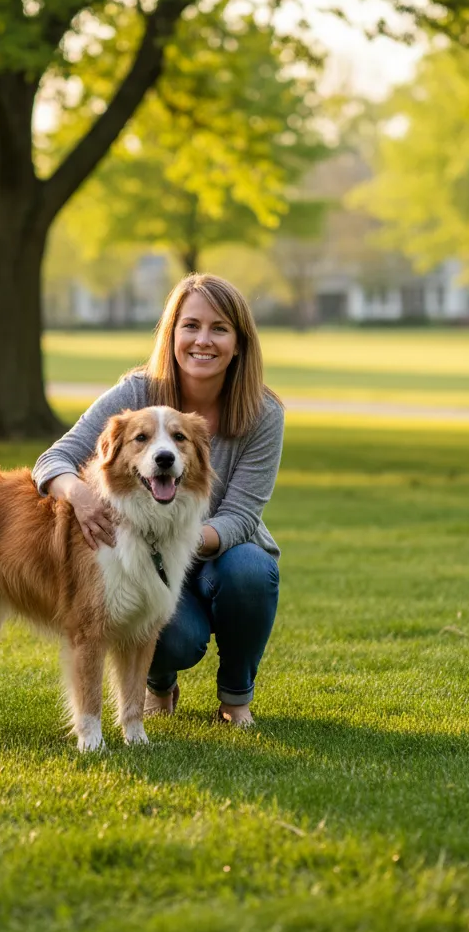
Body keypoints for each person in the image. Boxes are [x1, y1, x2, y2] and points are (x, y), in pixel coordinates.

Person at [32, 274, 284, 727]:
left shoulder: (263, 413)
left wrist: (180, 538)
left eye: (219, 328)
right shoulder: (136, 392)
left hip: (215, 549)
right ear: (172, 335)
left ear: (239, 343)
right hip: (138, 549)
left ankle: (235, 696)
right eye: (190, 326)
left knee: (252, 570)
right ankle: (158, 686)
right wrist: (80, 497)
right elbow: (55, 459)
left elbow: (243, 515)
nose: (202, 340)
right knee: (170, 636)